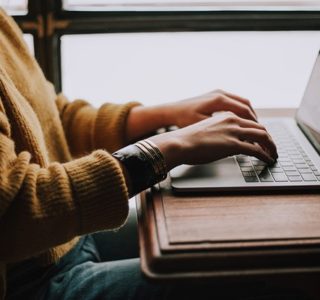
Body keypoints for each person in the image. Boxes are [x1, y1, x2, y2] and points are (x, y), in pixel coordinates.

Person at [2, 7, 308, 300]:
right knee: (272, 277)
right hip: (27, 282)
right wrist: (165, 149)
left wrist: (165, 114)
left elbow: (54, 119)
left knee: (248, 240)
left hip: (62, 240)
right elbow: (16, 212)